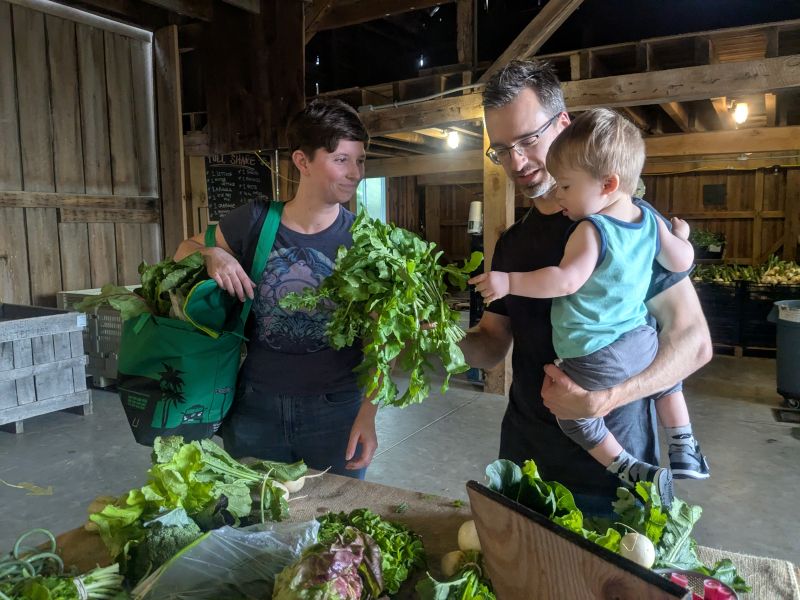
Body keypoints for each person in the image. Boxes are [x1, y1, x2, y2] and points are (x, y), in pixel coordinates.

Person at [459, 59, 713, 515]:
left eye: (527, 140)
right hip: (526, 460)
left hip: (616, 469)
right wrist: (437, 339)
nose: (516, 161)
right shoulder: (513, 243)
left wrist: (605, 399)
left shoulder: (627, 223)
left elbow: (694, 342)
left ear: (563, 123)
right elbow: (492, 345)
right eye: (501, 149)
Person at [173, 98, 377, 478]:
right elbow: (183, 250)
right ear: (303, 161)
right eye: (341, 159)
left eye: (360, 160)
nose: (354, 173)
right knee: (254, 519)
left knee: (336, 524)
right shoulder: (255, 222)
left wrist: (369, 412)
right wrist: (212, 254)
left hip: (335, 410)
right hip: (254, 407)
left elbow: (382, 339)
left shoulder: (366, 240)